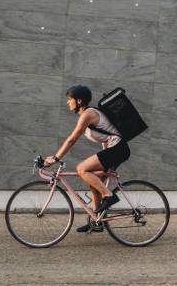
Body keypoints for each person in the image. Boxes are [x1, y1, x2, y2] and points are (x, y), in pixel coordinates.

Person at [45, 85, 131, 233]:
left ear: (79, 101)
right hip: (115, 150)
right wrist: (105, 161)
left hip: (118, 149)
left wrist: (56, 157)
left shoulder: (88, 114)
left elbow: (72, 139)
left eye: (70, 99)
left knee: (81, 169)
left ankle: (109, 196)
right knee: (94, 183)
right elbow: (107, 137)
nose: (68, 102)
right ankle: (96, 222)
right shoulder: (86, 115)